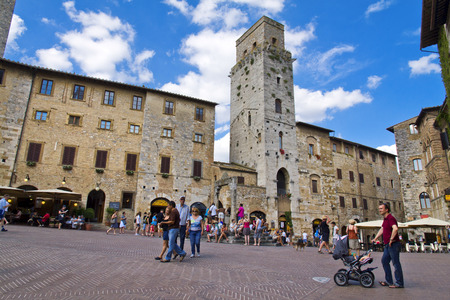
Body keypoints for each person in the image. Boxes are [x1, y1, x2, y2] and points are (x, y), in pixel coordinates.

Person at [372, 203, 404, 288]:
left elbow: (395, 228)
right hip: (387, 245)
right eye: (379, 208)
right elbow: (382, 229)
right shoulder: (385, 219)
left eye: (381, 208)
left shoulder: (390, 218)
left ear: (386, 209)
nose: (379, 210)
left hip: (393, 244)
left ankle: (399, 283)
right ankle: (389, 281)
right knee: (384, 261)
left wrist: (391, 239)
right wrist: (375, 238)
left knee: (396, 263)